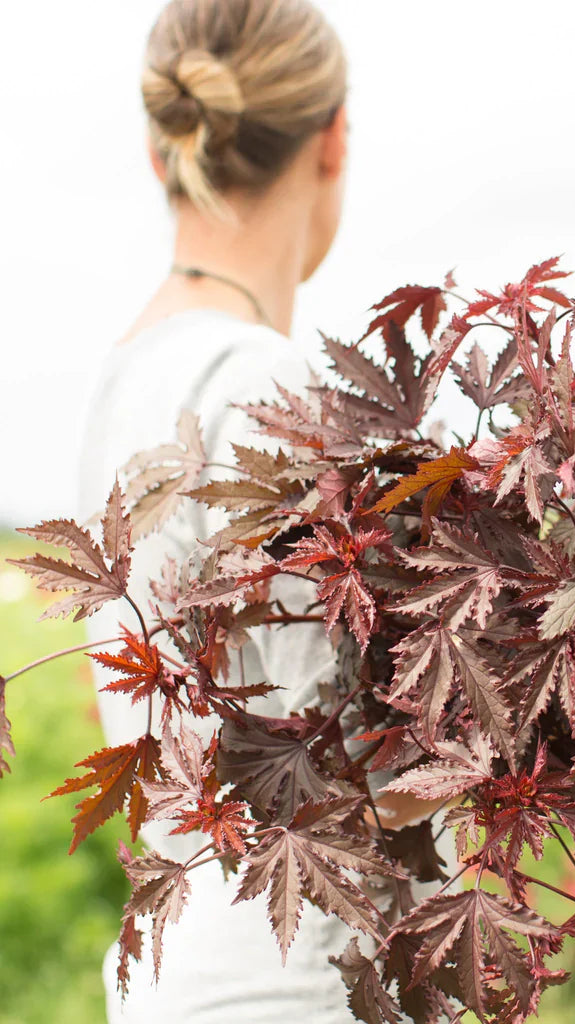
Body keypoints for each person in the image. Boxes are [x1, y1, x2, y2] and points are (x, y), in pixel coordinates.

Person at [80, 2, 434, 1020]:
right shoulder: (263, 386)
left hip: (181, 964)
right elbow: (364, 737)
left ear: (163, 155)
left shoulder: (125, 378)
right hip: (307, 981)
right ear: (335, 140)